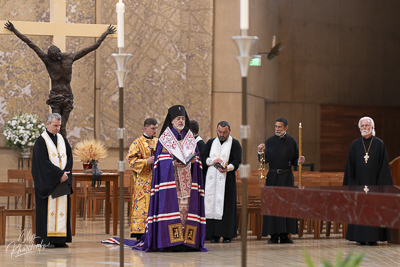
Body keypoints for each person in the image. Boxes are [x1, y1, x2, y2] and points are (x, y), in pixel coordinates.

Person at [4, 21, 116, 137]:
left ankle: (64, 151)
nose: (58, 57)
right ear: (51, 58)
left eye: (59, 55)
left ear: (59, 52)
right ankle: (56, 149)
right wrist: (14, 30)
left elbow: (93, 46)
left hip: (68, 96)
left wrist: (106, 33)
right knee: (55, 126)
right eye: (56, 58)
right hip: (56, 96)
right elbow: (30, 43)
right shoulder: (47, 60)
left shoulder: (69, 57)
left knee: (63, 126)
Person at [133, 105, 207, 252]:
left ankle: (187, 242)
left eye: (183, 119)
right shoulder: (165, 138)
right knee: (173, 210)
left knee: (186, 210)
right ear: (172, 121)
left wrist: (194, 161)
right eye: (178, 119)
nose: (181, 121)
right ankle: (170, 242)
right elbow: (159, 161)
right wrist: (172, 162)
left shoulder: (190, 137)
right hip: (171, 184)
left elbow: (198, 158)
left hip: (187, 180)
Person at [343, 116, 393, 246]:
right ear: (360, 128)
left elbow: (384, 168)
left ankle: (373, 238)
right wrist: (353, 185)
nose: (365, 128)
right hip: (358, 185)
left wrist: (381, 188)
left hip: (375, 185)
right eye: (363, 126)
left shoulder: (379, 144)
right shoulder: (355, 145)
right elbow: (350, 167)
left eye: (367, 125)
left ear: (372, 127)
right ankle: (360, 238)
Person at [257, 117, 305, 244]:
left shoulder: (292, 141)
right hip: (273, 177)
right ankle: (273, 235)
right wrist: (259, 151)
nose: (277, 129)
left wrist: (299, 161)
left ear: (286, 128)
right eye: (276, 126)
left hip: (287, 177)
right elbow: (264, 160)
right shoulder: (270, 141)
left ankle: (285, 235)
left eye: (280, 127)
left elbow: (295, 159)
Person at [31, 113, 73, 248]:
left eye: (59, 126)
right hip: (48, 183)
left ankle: (60, 240)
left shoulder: (63, 140)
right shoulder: (40, 142)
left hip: (61, 182)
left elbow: (69, 159)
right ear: (47, 124)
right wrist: (58, 175)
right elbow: (42, 163)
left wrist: (65, 174)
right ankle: (45, 240)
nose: (57, 128)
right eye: (55, 125)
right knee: (46, 210)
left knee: (62, 210)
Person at [202, 121, 242, 243]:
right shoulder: (210, 142)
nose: (222, 134)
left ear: (229, 131)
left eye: (224, 132)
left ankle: (226, 234)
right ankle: (212, 234)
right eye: (219, 132)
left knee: (226, 207)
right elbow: (203, 158)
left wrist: (227, 167)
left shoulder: (234, 143)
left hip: (227, 180)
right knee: (211, 204)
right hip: (211, 181)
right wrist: (213, 161)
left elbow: (237, 160)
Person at [126, 118, 158, 239]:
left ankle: (154, 231)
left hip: (156, 179)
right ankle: (140, 232)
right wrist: (146, 161)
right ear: (145, 128)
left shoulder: (158, 142)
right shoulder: (137, 143)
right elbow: (131, 160)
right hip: (142, 180)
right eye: (152, 128)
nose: (155, 131)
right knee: (142, 204)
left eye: (156, 128)